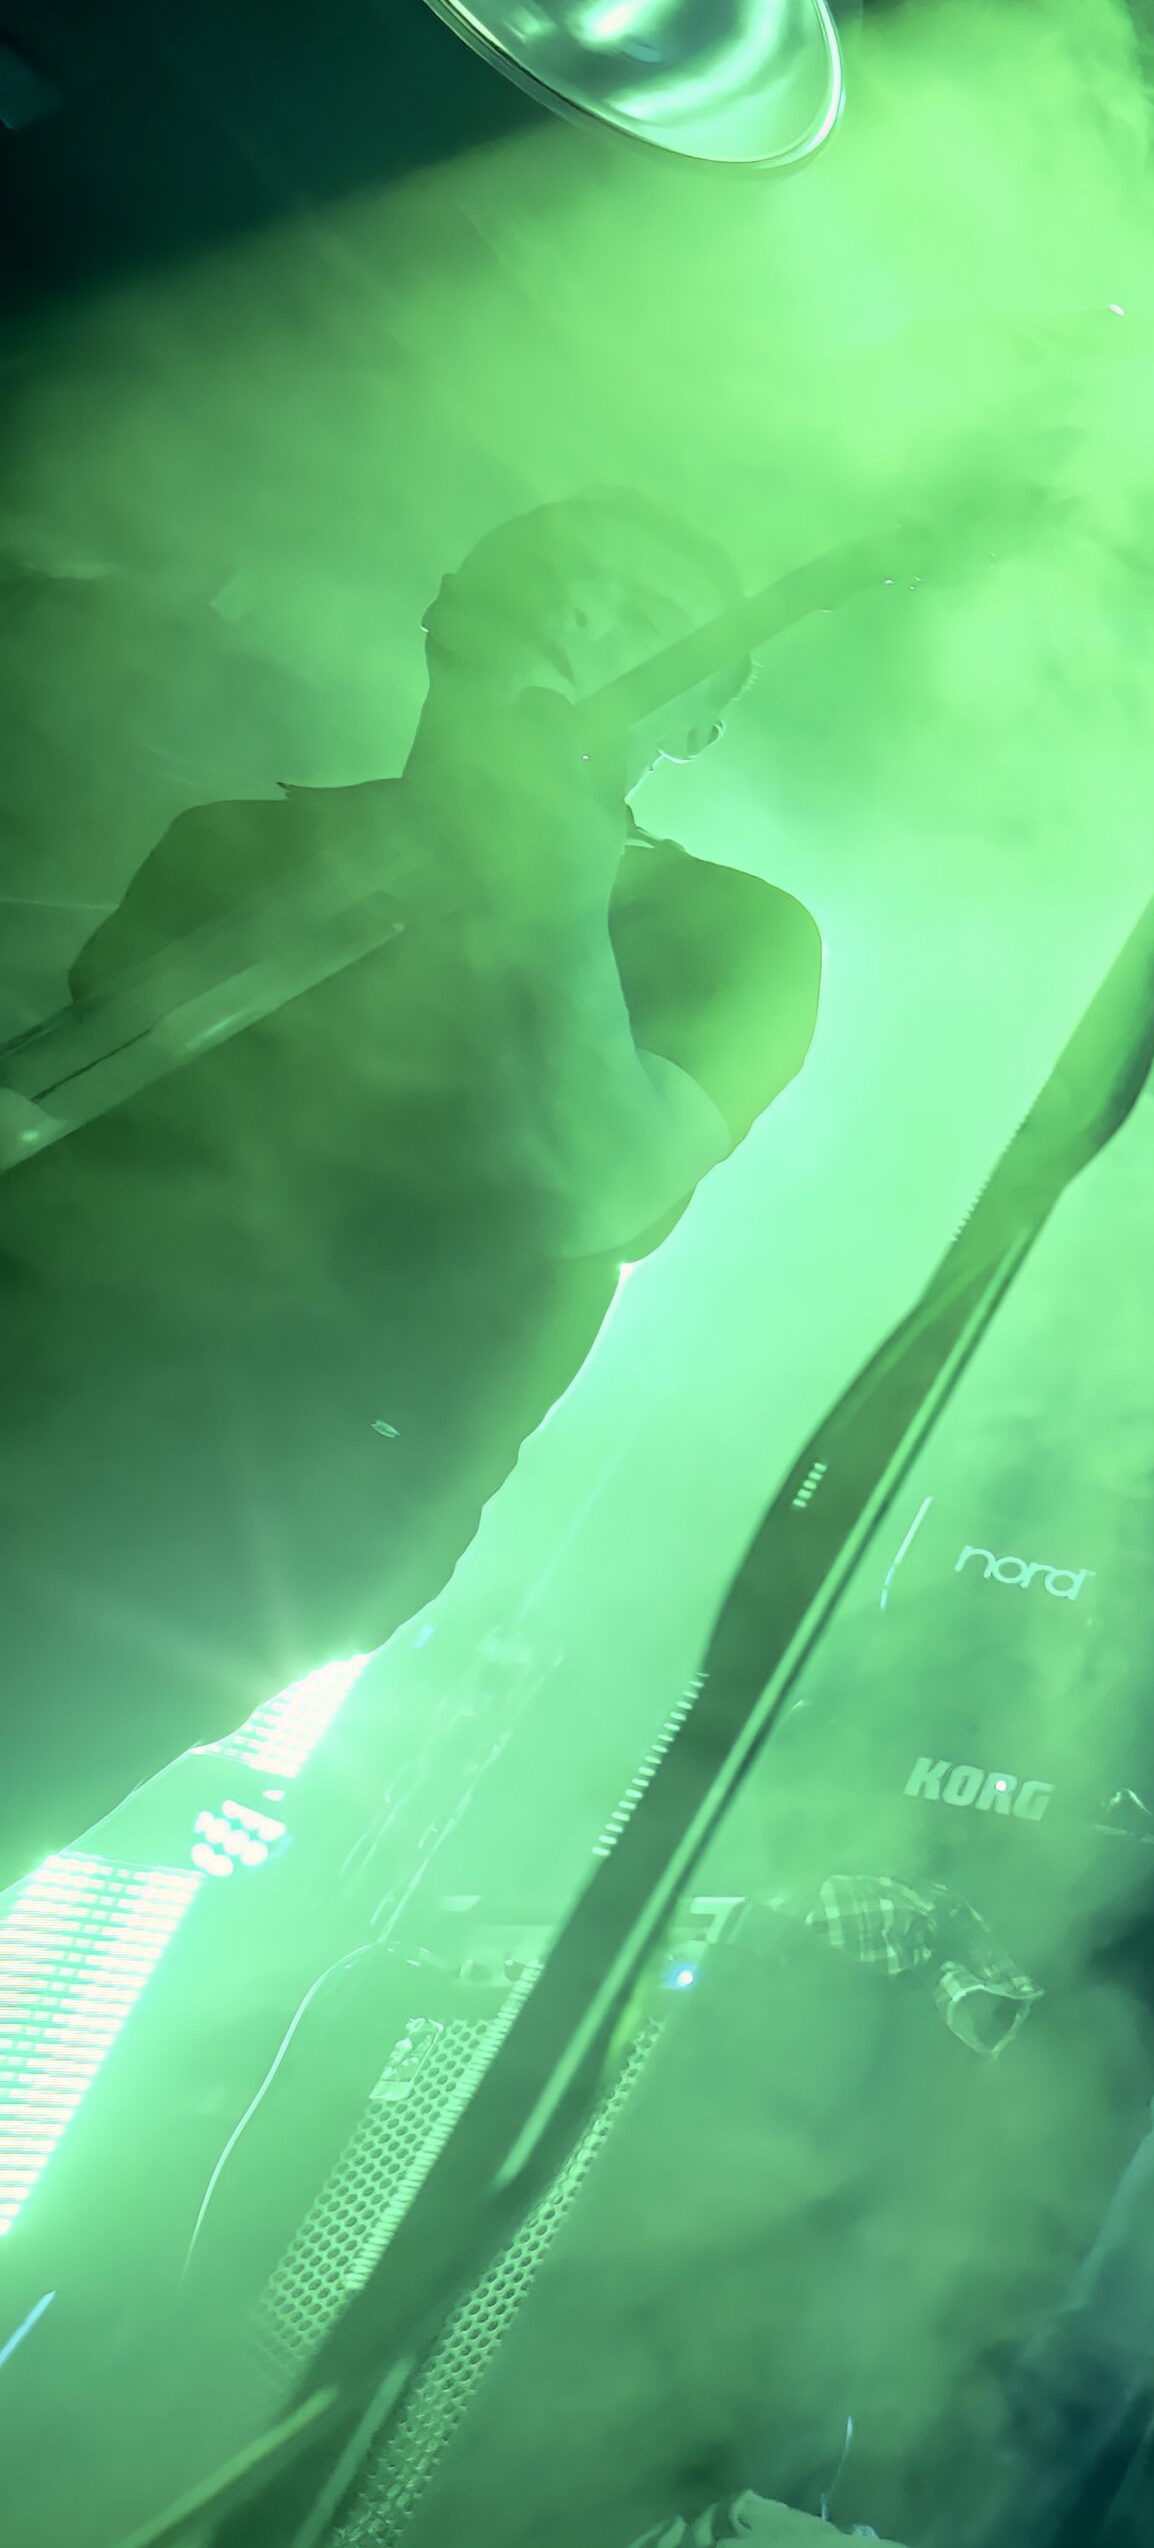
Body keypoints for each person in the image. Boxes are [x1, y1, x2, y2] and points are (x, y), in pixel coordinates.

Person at [0, 494, 820, 1882]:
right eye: (553, 579)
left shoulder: (738, 933)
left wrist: (556, 873)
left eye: (648, 618)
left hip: (234, 1524)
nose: (582, 614)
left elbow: (605, 1190)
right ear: (448, 616)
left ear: (700, 716)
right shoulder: (229, 847)